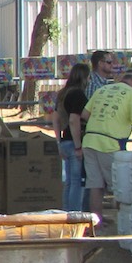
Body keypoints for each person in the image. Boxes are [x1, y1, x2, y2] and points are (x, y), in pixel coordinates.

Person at [80, 70, 132, 226]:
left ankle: (96, 221)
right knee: (120, 184)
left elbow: (85, 114)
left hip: (90, 140)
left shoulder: (103, 89)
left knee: (95, 185)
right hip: (110, 143)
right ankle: (124, 221)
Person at [52, 62, 89, 213]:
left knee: (68, 182)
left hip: (64, 141)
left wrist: (58, 141)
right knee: (77, 182)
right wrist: (78, 146)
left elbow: (55, 119)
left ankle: (66, 212)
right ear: (84, 77)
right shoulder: (78, 94)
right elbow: (74, 120)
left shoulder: (62, 94)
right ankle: (74, 215)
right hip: (75, 143)